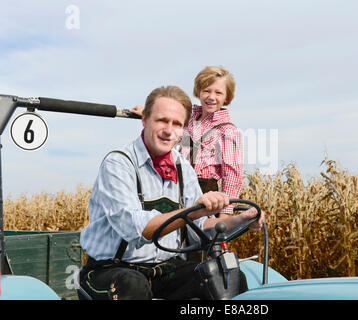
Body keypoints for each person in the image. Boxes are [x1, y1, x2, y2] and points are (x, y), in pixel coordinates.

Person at [79, 85, 264, 300]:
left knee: (225, 277)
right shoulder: (119, 163)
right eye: (162, 120)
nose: (169, 130)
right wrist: (194, 211)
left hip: (165, 269)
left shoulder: (182, 167)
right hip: (110, 270)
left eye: (177, 124)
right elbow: (137, 229)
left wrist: (241, 220)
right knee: (132, 286)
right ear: (145, 120)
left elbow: (201, 228)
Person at [132, 66, 243, 219]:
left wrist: (224, 214)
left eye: (218, 93)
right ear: (198, 92)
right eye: (206, 91)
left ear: (227, 98)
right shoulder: (190, 120)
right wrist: (148, 113)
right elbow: (170, 126)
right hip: (178, 186)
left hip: (205, 191)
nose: (211, 97)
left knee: (199, 239)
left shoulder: (228, 131)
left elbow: (232, 176)